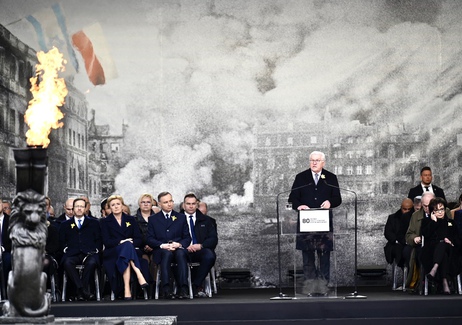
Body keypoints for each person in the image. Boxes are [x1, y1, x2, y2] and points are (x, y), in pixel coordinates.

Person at [288, 151, 342, 291]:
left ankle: (323, 287)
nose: (314, 162)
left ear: (323, 162)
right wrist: (298, 205)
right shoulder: (301, 177)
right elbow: (292, 198)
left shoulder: (330, 177)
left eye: (317, 160)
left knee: (324, 257)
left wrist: (330, 202)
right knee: (308, 257)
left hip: (324, 225)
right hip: (306, 224)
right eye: (312, 160)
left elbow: (338, 198)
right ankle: (311, 287)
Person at [100, 195, 149, 300]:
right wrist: (121, 242)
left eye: (118, 204)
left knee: (126, 250)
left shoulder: (130, 219)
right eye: (113, 205)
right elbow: (106, 241)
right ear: (110, 208)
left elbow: (139, 239)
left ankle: (127, 288)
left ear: (122, 206)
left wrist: (129, 243)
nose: (116, 206)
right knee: (126, 246)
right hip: (113, 252)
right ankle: (137, 272)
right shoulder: (105, 222)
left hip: (129, 252)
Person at [147, 192, 191, 299]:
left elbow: (187, 238)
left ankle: (183, 289)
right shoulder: (153, 219)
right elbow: (150, 239)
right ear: (159, 204)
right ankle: (166, 289)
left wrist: (179, 244)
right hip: (161, 250)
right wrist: (162, 245)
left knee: (181, 254)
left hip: (178, 248)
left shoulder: (181, 217)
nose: (169, 204)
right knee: (166, 254)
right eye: (166, 202)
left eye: (171, 201)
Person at [59, 198, 103, 301]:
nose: (79, 209)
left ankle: (80, 291)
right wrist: (65, 249)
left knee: (92, 263)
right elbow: (61, 242)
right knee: (67, 263)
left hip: (89, 253)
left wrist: (96, 250)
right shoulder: (65, 224)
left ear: (85, 208)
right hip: (72, 254)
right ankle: (83, 290)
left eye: (82, 206)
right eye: (77, 206)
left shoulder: (94, 223)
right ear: (73, 208)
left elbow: (99, 240)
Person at [421, 197, 460, 294]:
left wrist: (450, 241)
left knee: (444, 245)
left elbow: (458, 238)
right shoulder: (427, 222)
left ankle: (435, 268)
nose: (440, 212)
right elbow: (425, 235)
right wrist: (433, 222)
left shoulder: (451, 223)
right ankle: (444, 281)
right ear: (432, 212)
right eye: (436, 210)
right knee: (443, 252)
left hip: (450, 250)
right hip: (432, 251)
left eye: (441, 209)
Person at [183, 193, 218, 297]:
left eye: (193, 204)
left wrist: (200, 245)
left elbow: (213, 239)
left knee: (210, 255)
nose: (191, 206)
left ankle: (195, 285)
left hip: (199, 250)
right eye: (188, 204)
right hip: (182, 250)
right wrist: (184, 245)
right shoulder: (176, 218)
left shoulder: (206, 220)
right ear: (184, 205)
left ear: (197, 205)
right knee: (176, 256)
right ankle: (182, 288)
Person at [384, 198, 414, 268]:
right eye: (405, 209)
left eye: (409, 209)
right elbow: (387, 233)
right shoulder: (393, 218)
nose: (407, 211)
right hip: (396, 244)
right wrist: (397, 240)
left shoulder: (414, 218)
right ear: (401, 208)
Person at [134, 193, 157, 280]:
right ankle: (144, 288)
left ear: (152, 204)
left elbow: (161, 235)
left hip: (156, 247)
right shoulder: (133, 219)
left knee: (155, 261)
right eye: (143, 202)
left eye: (148, 202)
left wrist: (152, 245)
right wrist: (145, 246)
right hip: (140, 248)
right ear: (139, 204)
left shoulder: (159, 219)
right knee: (144, 261)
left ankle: (154, 288)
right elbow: (135, 236)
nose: (146, 204)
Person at [0, 199, 12, 286]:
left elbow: (14, 240)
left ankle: (5, 290)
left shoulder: (11, 221)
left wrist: (2, 248)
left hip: (6, 251)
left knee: (8, 261)